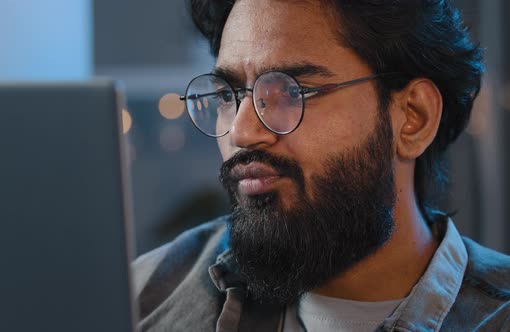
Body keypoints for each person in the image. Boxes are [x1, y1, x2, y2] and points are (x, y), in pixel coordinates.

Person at [133, 1, 510, 331]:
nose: (242, 132)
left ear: (414, 117)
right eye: (227, 96)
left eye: (293, 92)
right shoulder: (142, 300)